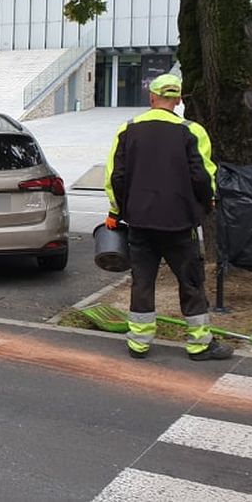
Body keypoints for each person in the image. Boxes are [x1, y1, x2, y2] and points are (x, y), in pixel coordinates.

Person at [103, 73, 232, 361]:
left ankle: (139, 342)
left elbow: (115, 176)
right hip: (179, 223)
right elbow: (204, 176)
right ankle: (199, 344)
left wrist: (116, 212)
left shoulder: (128, 129)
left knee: (142, 281)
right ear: (178, 100)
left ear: (152, 98)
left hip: (139, 223)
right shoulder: (192, 131)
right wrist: (203, 207)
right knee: (190, 281)